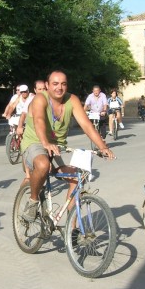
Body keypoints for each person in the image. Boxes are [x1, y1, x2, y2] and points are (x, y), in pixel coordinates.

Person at [20, 71, 115, 221]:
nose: (59, 87)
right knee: (43, 165)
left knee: (78, 178)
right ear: (47, 85)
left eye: (63, 84)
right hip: (35, 142)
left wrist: (103, 147)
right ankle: (33, 201)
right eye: (55, 84)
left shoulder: (72, 100)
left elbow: (86, 125)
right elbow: (38, 120)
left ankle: (73, 227)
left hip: (57, 147)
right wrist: (45, 143)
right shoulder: (40, 98)